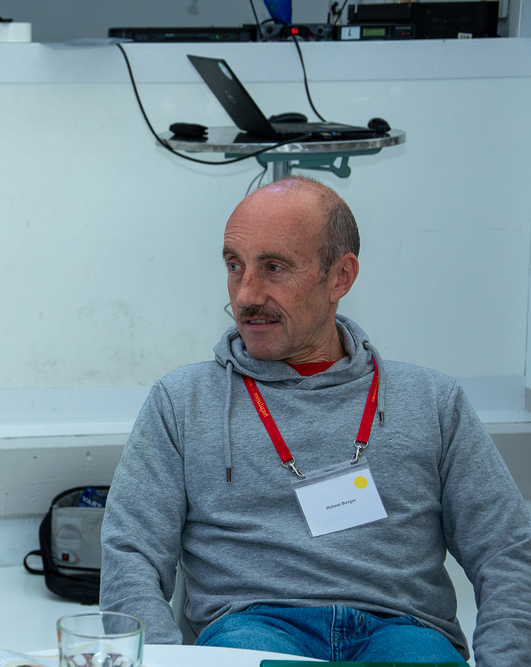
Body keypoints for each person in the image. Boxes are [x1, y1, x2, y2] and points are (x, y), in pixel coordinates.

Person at [99, 176, 531, 665]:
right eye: (235, 265)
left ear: (340, 277)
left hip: (405, 627)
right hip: (255, 627)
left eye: (274, 268)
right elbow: (131, 555)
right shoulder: (182, 402)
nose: (245, 294)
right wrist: (156, 660)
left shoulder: (432, 401)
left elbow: (507, 552)